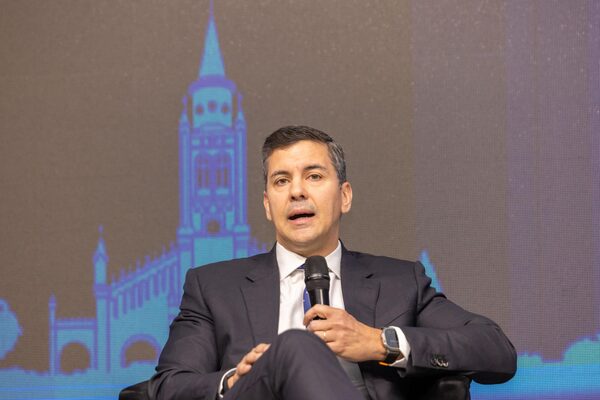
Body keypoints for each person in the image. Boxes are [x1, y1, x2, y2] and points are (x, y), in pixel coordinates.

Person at [148, 125, 517, 400]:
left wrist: (379, 341)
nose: (297, 191)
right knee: (294, 346)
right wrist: (232, 379)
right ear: (267, 205)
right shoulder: (214, 287)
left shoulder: (400, 282)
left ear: (344, 196)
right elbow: (167, 386)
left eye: (314, 176)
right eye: (281, 181)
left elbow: (495, 349)